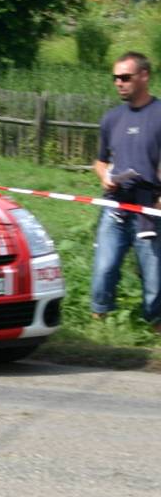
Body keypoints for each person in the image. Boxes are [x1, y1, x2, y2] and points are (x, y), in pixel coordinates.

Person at [91, 51, 161, 332]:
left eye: (125, 77)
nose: (119, 83)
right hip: (116, 205)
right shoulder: (111, 118)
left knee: (154, 275)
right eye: (115, 78)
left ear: (144, 76)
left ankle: (154, 326)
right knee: (104, 268)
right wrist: (104, 176)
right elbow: (100, 160)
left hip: (150, 207)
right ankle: (99, 324)